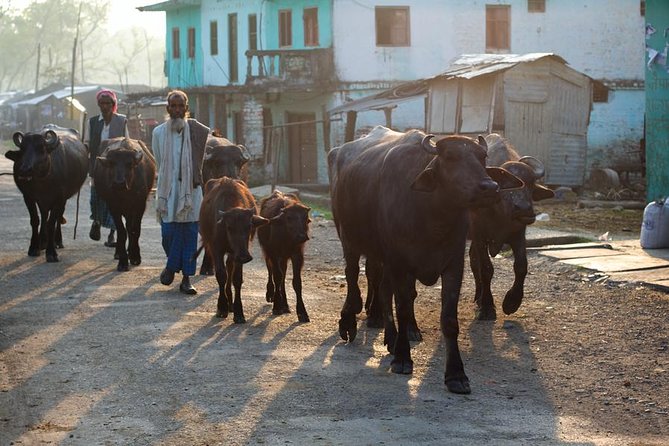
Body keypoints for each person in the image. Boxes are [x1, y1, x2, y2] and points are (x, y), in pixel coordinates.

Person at [152, 90, 210, 295]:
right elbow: (159, 160)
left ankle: (186, 278)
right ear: (168, 109)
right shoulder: (158, 132)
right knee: (168, 233)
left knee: (189, 234)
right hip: (168, 191)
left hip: (190, 192)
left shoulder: (197, 132)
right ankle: (171, 264)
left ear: (186, 109)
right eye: (173, 106)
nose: (177, 110)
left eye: (180, 106)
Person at [87, 89, 129, 247]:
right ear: (99, 105)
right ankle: (96, 221)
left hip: (116, 167)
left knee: (115, 199)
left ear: (113, 105)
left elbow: (127, 142)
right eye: (102, 103)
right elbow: (88, 142)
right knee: (95, 197)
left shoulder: (121, 121)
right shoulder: (92, 122)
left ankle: (113, 233)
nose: (105, 106)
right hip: (98, 165)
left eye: (108, 103)